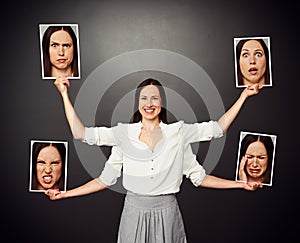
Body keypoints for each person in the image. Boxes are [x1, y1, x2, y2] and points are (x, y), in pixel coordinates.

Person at [46, 77, 262, 243]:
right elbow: (81, 136)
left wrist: (243, 96)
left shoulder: (178, 133)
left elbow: (216, 132)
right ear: (137, 103)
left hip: (167, 214)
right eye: (143, 98)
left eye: (155, 98)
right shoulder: (123, 134)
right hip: (133, 213)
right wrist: (64, 94)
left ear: (162, 103)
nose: (149, 103)